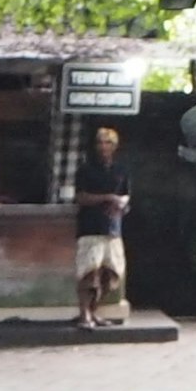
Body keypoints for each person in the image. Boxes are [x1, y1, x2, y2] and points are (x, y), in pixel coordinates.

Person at [73, 126, 133, 327]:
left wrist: (121, 205)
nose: (103, 147)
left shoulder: (121, 170)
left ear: (114, 146)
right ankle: (84, 315)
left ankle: (94, 310)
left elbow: (126, 197)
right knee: (89, 272)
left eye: (107, 142)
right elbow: (81, 197)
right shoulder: (86, 169)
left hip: (113, 228)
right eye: (100, 142)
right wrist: (107, 198)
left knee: (111, 275)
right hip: (90, 227)